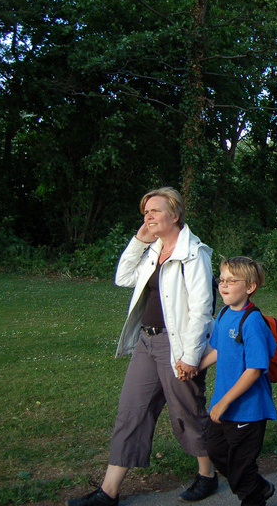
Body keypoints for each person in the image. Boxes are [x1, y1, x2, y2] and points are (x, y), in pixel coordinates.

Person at [68, 188, 216, 506]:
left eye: (155, 211)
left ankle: (208, 474)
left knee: (187, 412)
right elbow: (123, 278)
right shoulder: (154, 250)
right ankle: (109, 491)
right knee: (131, 411)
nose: (148, 216)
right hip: (146, 342)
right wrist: (139, 240)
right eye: (145, 212)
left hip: (176, 346)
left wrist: (191, 357)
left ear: (175, 215)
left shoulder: (194, 253)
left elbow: (202, 309)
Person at [198, 256, 277, 505]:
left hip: (247, 410)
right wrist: (196, 367)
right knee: (217, 452)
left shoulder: (252, 321)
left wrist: (224, 402)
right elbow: (220, 349)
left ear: (250, 287)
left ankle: (254, 497)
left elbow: (254, 369)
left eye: (231, 281)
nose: (223, 285)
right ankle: (259, 487)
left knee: (242, 465)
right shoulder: (223, 314)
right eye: (221, 280)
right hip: (223, 405)